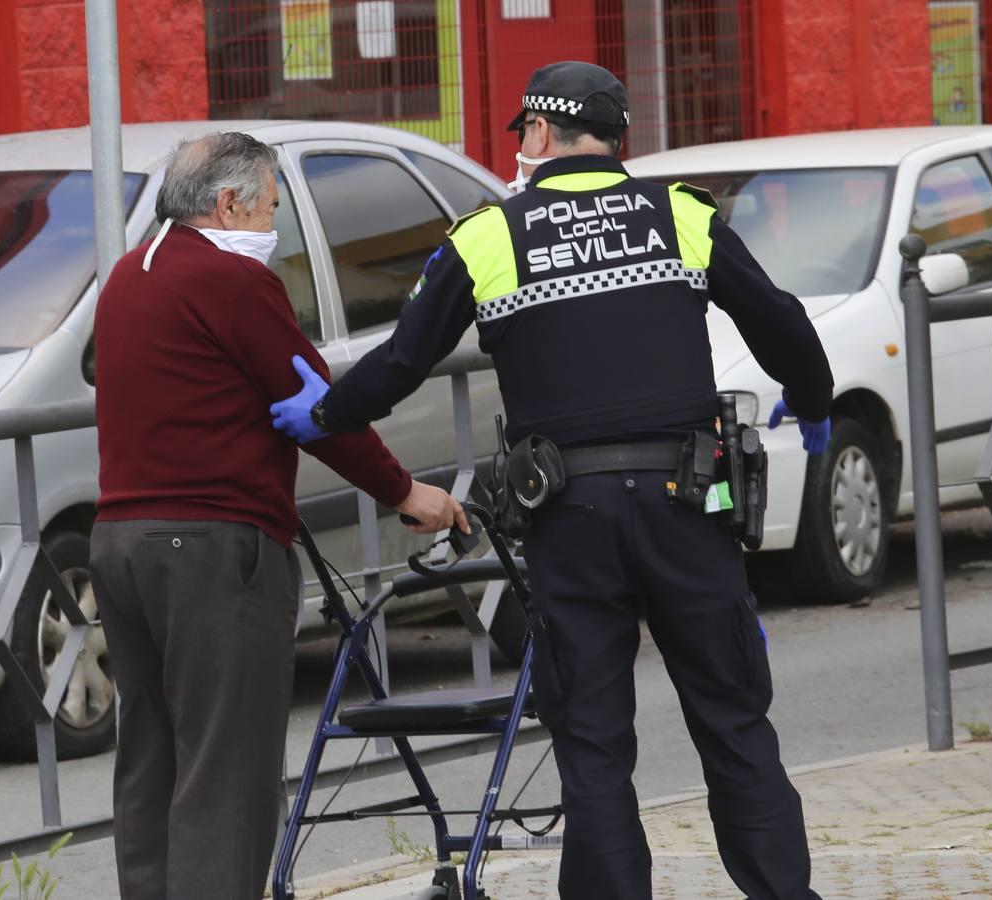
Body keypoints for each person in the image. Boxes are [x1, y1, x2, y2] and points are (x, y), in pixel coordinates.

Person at [270, 62, 832, 900]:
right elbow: (779, 318)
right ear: (618, 138)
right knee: (733, 719)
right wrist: (813, 402)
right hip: (688, 503)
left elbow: (401, 361)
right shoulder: (681, 216)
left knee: (595, 741)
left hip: (568, 514)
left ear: (536, 135)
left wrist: (325, 414)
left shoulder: (487, 236)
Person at [89, 131, 467, 900]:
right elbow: (316, 403)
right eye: (269, 204)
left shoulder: (129, 277)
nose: (274, 222)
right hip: (213, 546)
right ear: (227, 204)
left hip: (121, 544)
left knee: (151, 761)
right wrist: (404, 492)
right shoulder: (233, 284)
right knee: (225, 773)